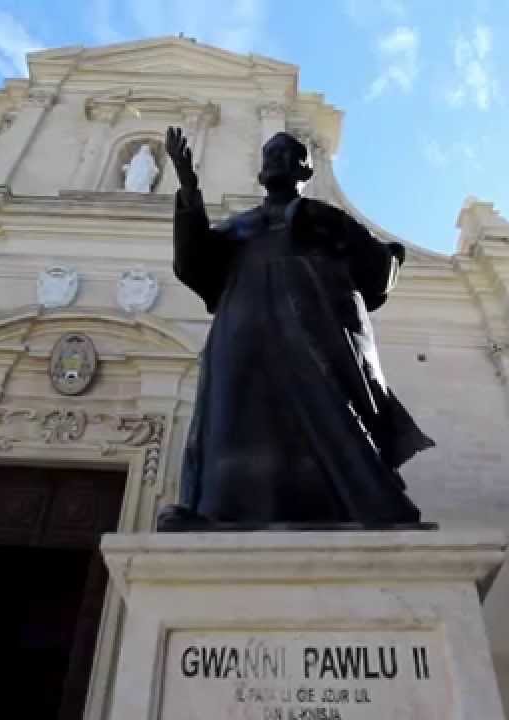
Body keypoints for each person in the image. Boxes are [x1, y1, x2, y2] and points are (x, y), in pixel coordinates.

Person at [156, 126, 434, 531]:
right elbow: (194, 264)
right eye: (270, 153)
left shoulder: (325, 218)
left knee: (335, 412)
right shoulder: (241, 228)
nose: (275, 159)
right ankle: (217, 511)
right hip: (243, 331)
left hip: (314, 329)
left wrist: (373, 249)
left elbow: (378, 271)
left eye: (287, 154)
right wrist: (189, 191)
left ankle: (378, 507)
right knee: (230, 417)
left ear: (306, 170)